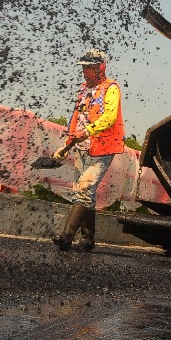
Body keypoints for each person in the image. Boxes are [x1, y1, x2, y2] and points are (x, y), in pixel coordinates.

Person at [50, 49, 124, 253]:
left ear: (101, 67)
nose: (85, 72)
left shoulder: (111, 88)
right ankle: (88, 239)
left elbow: (109, 117)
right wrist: (66, 146)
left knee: (84, 189)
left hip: (102, 148)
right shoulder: (83, 90)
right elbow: (76, 119)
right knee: (84, 193)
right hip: (82, 148)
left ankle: (66, 237)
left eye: (89, 68)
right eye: (83, 67)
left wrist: (87, 132)